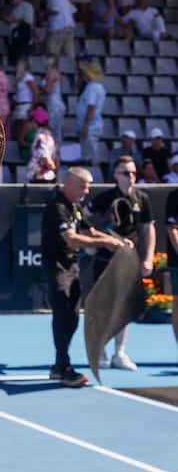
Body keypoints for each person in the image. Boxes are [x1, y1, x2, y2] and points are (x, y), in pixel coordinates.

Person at [41, 167, 129, 388]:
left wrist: (116, 240)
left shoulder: (74, 206)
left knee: (72, 315)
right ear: (69, 184)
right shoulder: (57, 206)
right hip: (57, 266)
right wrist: (107, 243)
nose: (87, 191)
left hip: (72, 265)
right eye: (83, 186)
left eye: (88, 186)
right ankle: (63, 366)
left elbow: (90, 231)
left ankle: (59, 365)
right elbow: (71, 238)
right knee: (63, 313)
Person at [86, 156, 154, 371]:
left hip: (129, 260)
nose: (131, 177)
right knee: (103, 306)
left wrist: (148, 257)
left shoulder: (142, 198)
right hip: (105, 259)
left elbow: (147, 229)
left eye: (134, 173)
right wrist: (93, 241)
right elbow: (83, 218)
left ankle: (119, 353)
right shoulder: (104, 198)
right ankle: (101, 351)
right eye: (126, 173)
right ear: (116, 176)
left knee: (123, 307)